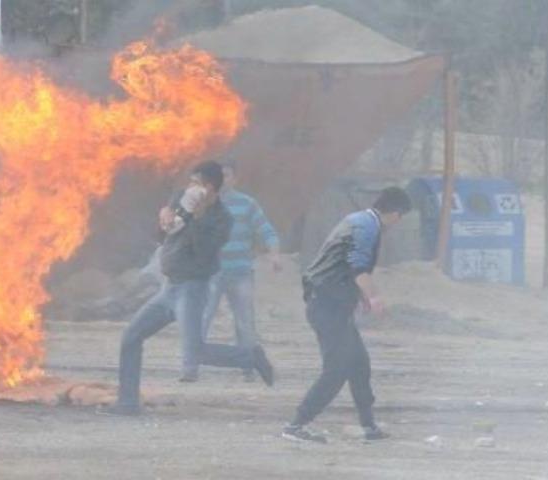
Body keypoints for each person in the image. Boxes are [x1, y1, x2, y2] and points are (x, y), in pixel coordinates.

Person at [100, 161, 274, 417]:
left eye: (196, 183)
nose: (190, 187)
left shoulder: (221, 219)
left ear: (210, 187)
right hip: (168, 288)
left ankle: (250, 357)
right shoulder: (181, 200)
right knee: (131, 337)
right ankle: (128, 403)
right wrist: (164, 218)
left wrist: (196, 217)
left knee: (195, 352)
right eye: (190, 182)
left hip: (192, 290)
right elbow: (162, 238)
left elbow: (203, 253)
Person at [281, 186, 412, 443]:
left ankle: (369, 427)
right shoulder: (367, 227)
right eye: (400, 217)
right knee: (337, 369)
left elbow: (344, 263)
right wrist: (373, 297)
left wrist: (359, 296)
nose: (397, 223)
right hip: (327, 305)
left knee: (359, 364)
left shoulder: (358, 219)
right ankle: (296, 425)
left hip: (331, 303)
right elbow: (358, 267)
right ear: (396, 213)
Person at [197, 159, 281, 383]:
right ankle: (191, 363)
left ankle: (248, 366)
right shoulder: (204, 203)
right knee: (202, 317)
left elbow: (266, 230)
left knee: (245, 321)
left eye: (227, 176)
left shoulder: (247, 204)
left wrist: (274, 254)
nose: (222, 180)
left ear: (235, 179)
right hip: (212, 273)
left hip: (240, 272)